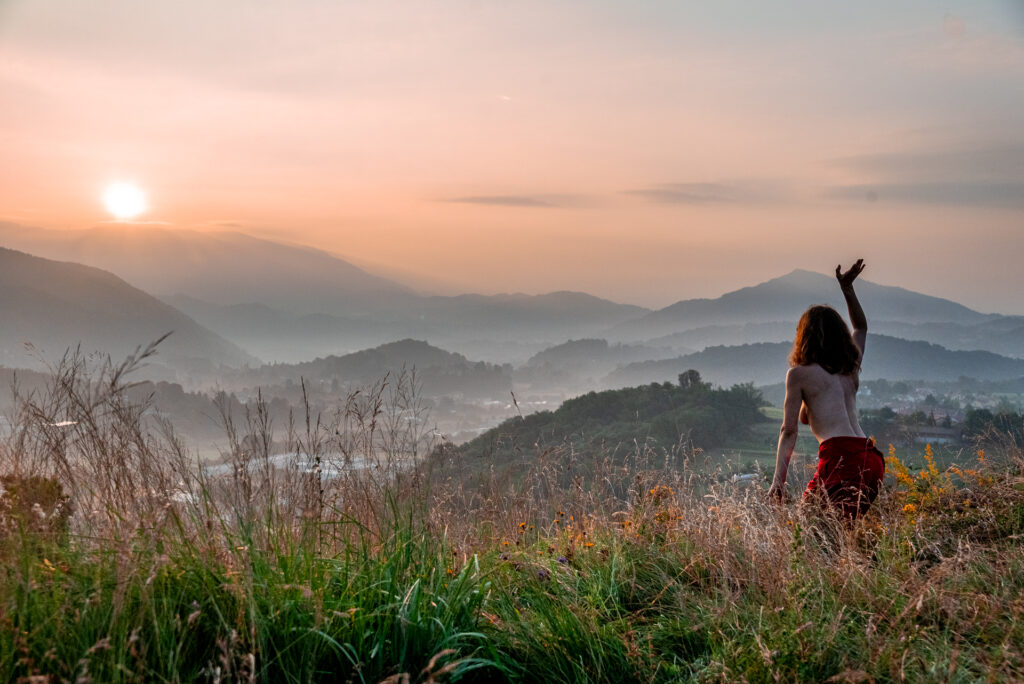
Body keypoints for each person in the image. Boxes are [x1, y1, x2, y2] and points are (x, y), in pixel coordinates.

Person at [768, 259, 885, 519]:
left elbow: (788, 431)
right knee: (838, 536)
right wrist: (848, 289)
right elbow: (861, 328)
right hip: (870, 459)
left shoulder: (798, 375)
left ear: (803, 338)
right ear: (839, 336)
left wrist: (779, 480)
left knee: (806, 531)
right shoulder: (851, 365)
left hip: (841, 458)